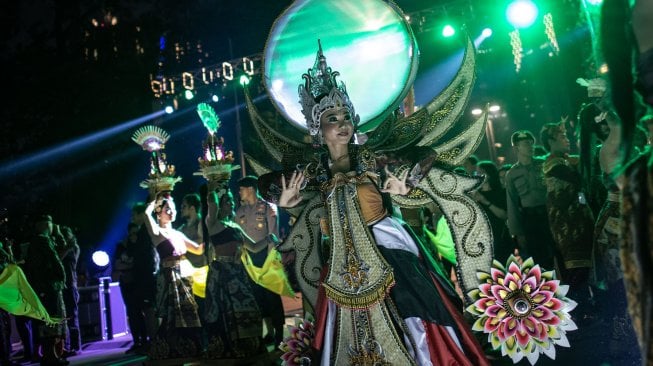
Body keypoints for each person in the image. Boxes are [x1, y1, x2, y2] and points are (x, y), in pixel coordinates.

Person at [273, 45, 489, 365]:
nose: (343, 123)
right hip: (342, 264)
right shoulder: (314, 172)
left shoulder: (371, 158)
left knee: (412, 316)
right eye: (333, 118)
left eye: (346, 116)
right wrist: (285, 202)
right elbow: (269, 187)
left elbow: (424, 156)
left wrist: (407, 181)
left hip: (386, 249)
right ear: (317, 127)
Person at [203, 185, 264, 359]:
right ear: (220, 205)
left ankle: (249, 347)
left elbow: (253, 246)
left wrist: (269, 238)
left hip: (238, 273)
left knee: (249, 307)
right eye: (227, 200)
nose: (231, 203)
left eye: (231, 200)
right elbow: (211, 203)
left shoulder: (235, 227)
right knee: (226, 311)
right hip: (222, 274)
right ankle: (228, 349)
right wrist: (213, 185)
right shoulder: (213, 224)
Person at [142, 193, 204, 360]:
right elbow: (145, 214)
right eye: (167, 208)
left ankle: (188, 347)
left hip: (184, 277)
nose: (171, 211)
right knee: (170, 315)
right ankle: (165, 349)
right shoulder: (157, 231)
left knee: (188, 313)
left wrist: (206, 228)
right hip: (168, 278)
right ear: (158, 213)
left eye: (173, 208)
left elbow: (198, 249)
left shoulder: (178, 233)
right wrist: (155, 199)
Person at [236, 176, 285, 346]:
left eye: (241, 189)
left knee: (271, 296)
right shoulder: (239, 212)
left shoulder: (267, 208)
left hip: (267, 255)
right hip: (250, 259)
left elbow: (273, 235)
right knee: (257, 296)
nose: (239, 192)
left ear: (250, 188)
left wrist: (271, 260)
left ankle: (279, 332)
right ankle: (268, 332)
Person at [505, 130, 556, 269]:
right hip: (530, 219)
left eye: (531, 143)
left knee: (557, 252)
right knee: (538, 258)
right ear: (516, 148)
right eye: (526, 144)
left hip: (550, 214)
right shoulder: (512, 174)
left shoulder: (544, 164)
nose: (531, 146)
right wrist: (518, 232)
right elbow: (512, 204)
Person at [22, 214, 68, 366]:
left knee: (47, 322)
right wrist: (61, 277)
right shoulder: (42, 241)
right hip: (48, 287)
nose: (52, 227)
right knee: (51, 321)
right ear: (44, 225)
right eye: (50, 224)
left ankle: (51, 355)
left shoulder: (35, 243)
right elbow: (55, 261)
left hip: (42, 288)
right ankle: (51, 356)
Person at [470, 160, 513, 263]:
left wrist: (485, 201)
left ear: (488, 175)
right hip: (482, 240)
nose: (477, 176)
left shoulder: (500, 192)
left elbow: (504, 215)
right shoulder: (474, 194)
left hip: (500, 237)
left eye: (480, 173)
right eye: (476, 173)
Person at [56, 226, 81, 356]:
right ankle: (65, 346)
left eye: (66, 235)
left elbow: (65, 260)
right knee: (63, 318)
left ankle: (75, 346)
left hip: (71, 285)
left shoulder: (74, 248)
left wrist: (67, 247)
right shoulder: (60, 248)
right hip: (62, 286)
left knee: (72, 316)